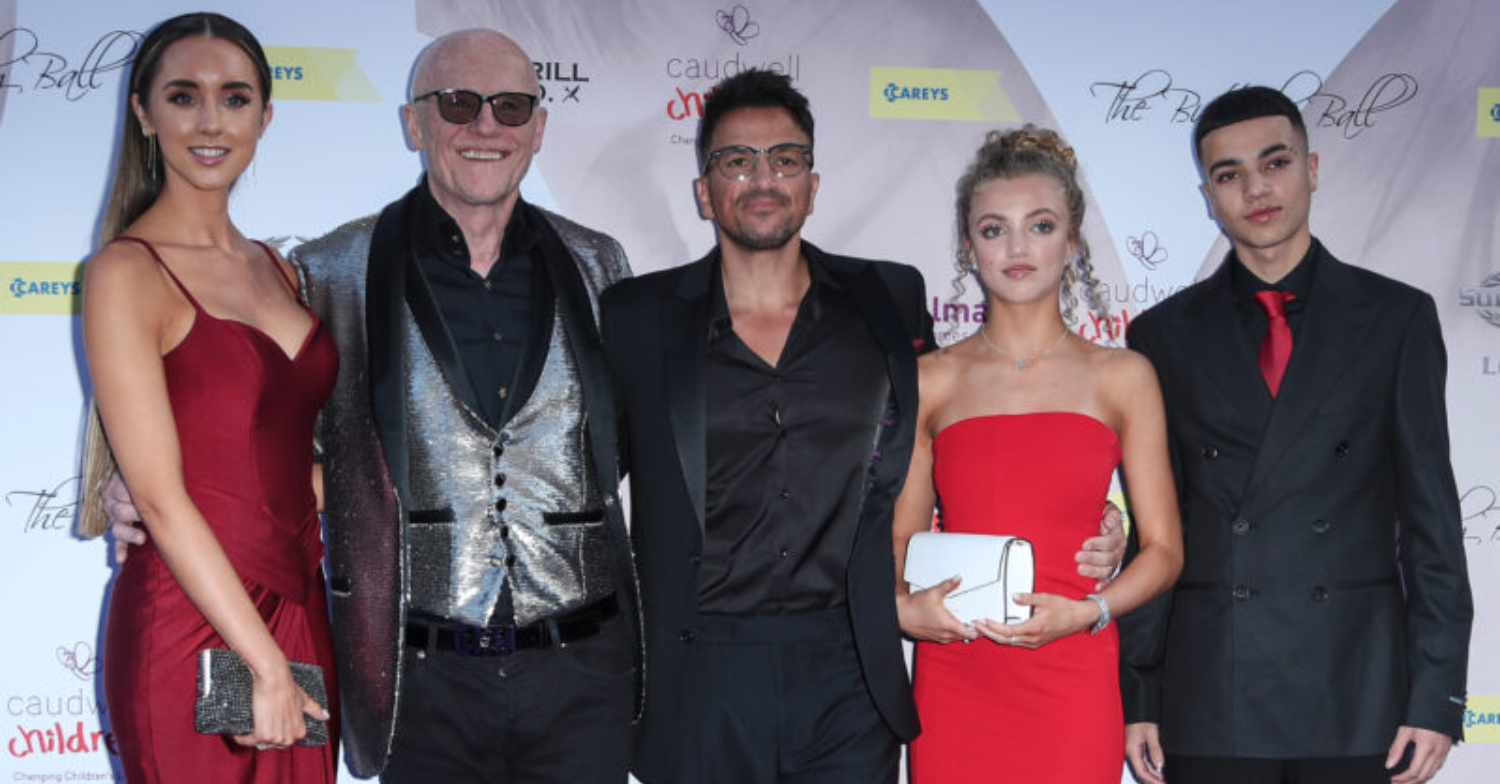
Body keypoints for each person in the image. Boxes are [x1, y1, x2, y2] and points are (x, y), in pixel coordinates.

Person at [106, 29, 642, 783]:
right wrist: (145, 481)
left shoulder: (601, 263)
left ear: (539, 128)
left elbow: (646, 431)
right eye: (457, 103)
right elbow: (273, 431)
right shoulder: (326, 272)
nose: (485, 127)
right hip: (416, 680)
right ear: (414, 123)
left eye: (512, 107)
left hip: (585, 674)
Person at [600, 71, 1126, 784]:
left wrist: (1101, 518)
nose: (764, 178)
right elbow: (588, 486)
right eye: (737, 160)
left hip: (850, 671)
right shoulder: (635, 316)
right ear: (704, 189)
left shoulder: (889, 298)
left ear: (812, 186)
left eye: (785, 158)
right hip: (697, 676)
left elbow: (970, 434)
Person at [1120, 86, 1473, 784]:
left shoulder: (1396, 319)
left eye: (1274, 162)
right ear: (1208, 196)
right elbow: (1157, 534)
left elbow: (1432, 521)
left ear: (1312, 167)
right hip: (1212, 688)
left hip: (1355, 687)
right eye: (1228, 175)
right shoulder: (1163, 336)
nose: (1256, 188)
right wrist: (1139, 693)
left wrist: (1436, 695)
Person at [79, 12, 338, 782]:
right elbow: (159, 499)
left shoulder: (282, 270)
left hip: (298, 608)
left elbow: (288, 465)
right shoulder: (125, 273)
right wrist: (264, 667)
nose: (210, 121)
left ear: (265, 113)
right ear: (144, 114)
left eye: (234, 97)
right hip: (192, 620)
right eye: (184, 96)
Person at [891, 126, 1183, 783]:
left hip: (1073, 673)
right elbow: (900, 538)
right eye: (994, 229)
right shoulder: (929, 380)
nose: (1017, 247)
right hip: (957, 671)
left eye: (1040, 225)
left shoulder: (1124, 376)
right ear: (969, 248)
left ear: (1072, 242)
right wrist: (907, 607)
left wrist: (1090, 611)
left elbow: (1165, 551)